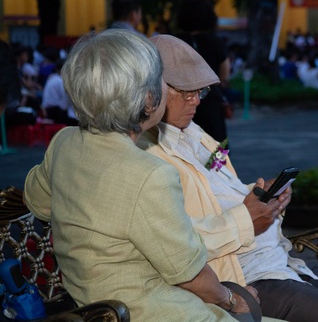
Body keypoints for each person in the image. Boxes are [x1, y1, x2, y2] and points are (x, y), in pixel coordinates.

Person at [139, 34, 318, 322]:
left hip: (276, 259)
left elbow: (223, 190)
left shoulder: (195, 134)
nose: (196, 100)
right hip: (240, 274)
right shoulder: (148, 154)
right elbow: (176, 244)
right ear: (153, 91)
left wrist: (263, 195)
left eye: (201, 92)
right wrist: (248, 217)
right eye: (186, 92)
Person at [23, 30, 249, 321]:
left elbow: (36, 200)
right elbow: (190, 276)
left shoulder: (64, 142)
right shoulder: (150, 174)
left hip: (91, 307)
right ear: (148, 99)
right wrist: (233, 301)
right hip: (154, 312)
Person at [176, 0, 231, 143]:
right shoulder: (215, 42)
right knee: (216, 152)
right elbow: (224, 75)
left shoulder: (175, 42)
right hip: (211, 104)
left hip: (180, 103)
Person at [41, 59, 77, 125]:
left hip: (49, 109)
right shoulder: (59, 80)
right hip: (53, 111)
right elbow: (64, 103)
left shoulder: (52, 78)